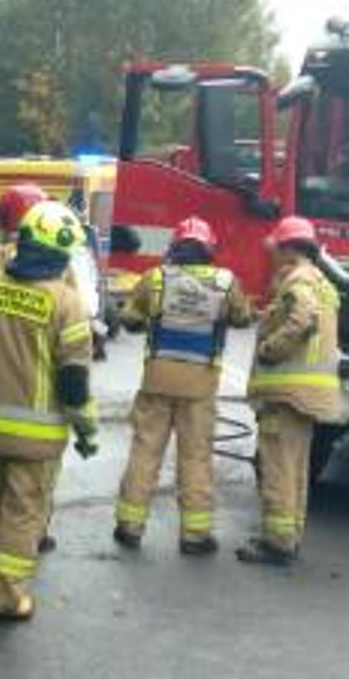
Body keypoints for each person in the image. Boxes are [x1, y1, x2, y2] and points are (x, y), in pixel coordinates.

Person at [0, 201, 98, 622]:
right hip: (36, 438)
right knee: (23, 514)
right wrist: (87, 431)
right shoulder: (66, 302)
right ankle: (4, 596)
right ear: (58, 253)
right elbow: (74, 383)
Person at [112, 216, 254, 555]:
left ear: (175, 247)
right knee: (195, 458)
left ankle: (129, 527)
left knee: (145, 453)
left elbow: (129, 320)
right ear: (209, 249)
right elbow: (243, 318)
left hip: (157, 381)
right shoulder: (225, 282)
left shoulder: (155, 278)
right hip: (200, 386)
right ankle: (195, 536)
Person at [239, 216, 347, 567]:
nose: (272, 255)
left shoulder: (297, 280)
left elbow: (302, 317)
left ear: (287, 249)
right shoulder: (321, 280)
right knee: (296, 469)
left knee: (277, 468)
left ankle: (277, 544)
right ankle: (290, 535)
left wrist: (272, 348)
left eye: (276, 248)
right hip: (308, 395)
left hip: (286, 393)